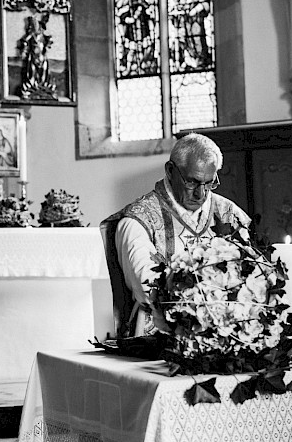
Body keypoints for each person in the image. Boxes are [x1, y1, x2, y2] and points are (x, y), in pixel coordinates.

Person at [100, 133, 250, 337]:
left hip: (228, 331)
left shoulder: (231, 215)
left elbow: (252, 275)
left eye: (209, 183)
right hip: (157, 340)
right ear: (170, 171)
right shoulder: (137, 221)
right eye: (192, 182)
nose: (201, 194)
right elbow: (149, 289)